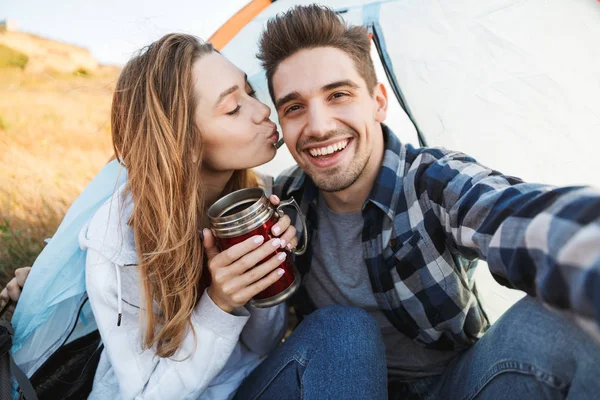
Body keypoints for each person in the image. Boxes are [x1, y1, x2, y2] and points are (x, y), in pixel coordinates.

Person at [3, 33, 388, 400]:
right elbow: (143, 393)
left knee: (347, 329)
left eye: (250, 92)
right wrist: (219, 304)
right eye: (234, 108)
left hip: (248, 387)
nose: (263, 111)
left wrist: (262, 279)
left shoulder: (260, 195)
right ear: (184, 141)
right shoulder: (120, 239)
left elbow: (262, 346)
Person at [251, 4, 600, 399]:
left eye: (339, 95)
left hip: (455, 384)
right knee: (345, 330)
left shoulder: (432, 179)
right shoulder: (281, 203)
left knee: (569, 317)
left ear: (378, 101)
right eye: (295, 107)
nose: (318, 126)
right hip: (338, 387)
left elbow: (516, 216)